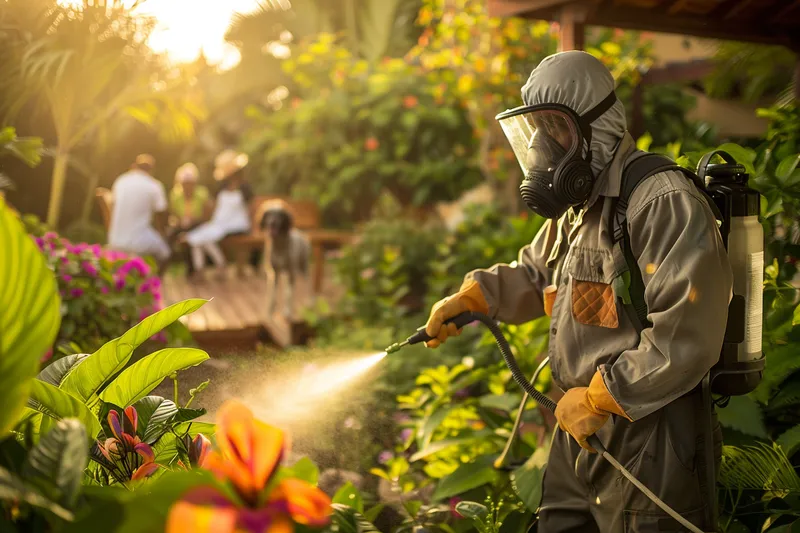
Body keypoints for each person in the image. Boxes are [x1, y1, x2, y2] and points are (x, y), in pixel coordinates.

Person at [423, 51, 731, 533]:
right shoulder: (578, 207)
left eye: (557, 129)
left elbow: (686, 337)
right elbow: (534, 273)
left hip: (647, 433)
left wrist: (603, 397)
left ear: (598, 126)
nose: (546, 147)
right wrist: (476, 297)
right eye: (538, 130)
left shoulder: (659, 200)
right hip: (578, 427)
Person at [184, 150, 253, 282]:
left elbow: (251, 208)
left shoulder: (244, 188)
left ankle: (220, 266)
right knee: (195, 238)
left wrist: (253, 226)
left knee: (203, 238)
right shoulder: (222, 187)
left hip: (237, 225)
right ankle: (203, 269)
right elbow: (216, 208)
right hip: (219, 223)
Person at [108, 154, 171, 273]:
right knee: (165, 254)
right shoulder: (154, 185)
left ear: (135, 166)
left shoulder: (121, 180)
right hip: (139, 241)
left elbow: (112, 207)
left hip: (114, 238)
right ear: (151, 170)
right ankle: (155, 284)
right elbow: (161, 214)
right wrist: (163, 233)